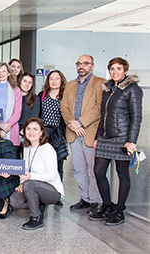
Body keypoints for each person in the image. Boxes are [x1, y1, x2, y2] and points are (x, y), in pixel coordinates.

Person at [89, 57, 142, 225]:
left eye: (119, 68)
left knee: (122, 174)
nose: (115, 72)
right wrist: (97, 137)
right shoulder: (108, 88)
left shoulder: (132, 89)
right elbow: (102, 116)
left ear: (125, 70)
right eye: (112, 69)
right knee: (98, 171)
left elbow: (136, 117)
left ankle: (119, 211)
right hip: (105, 137)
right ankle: (107, 205)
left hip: (122, 138)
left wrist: (131, 141)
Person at [60, 54, 105, 214]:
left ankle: (95, 201)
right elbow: (64, 106)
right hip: (73, 133)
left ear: (92, 66)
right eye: (79, 63)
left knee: (93, 170)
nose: (81, 66)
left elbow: (99, 107)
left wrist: (81, 122)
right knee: (78, 169)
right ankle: (85, 198)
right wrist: (72, 123)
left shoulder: (100, 83)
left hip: (89, 133)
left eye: (85, 63)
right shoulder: (70, 85)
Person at [10, 118, 64, 230]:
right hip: (32, 186)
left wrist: (30, 178)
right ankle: (38, 205)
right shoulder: (26, 148)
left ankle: (36, 217)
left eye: (35, 129)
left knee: (29, 185)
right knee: (14, 201)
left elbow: (51, 175)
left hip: (52, 190)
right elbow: (24, 170)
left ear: (41, 132)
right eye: (28, 129)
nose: (31, 132)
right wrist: (22, 183)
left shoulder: (48, 149)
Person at [38, 70, 68, 183]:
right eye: (51, 79)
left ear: (61, 80)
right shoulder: (42, 95)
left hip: (58, 134)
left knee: (58, 165)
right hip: (44, 134)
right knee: (43, 164)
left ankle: (58, 194)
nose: (54, 81)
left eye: (57, 79)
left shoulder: (65, 96)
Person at [0, 62, 22, 147]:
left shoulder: (16, 90)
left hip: (11, 129)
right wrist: (0, 125)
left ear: (8, 73)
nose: (1, 74)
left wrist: (6, 127)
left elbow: (17, 113)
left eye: (3, 71)